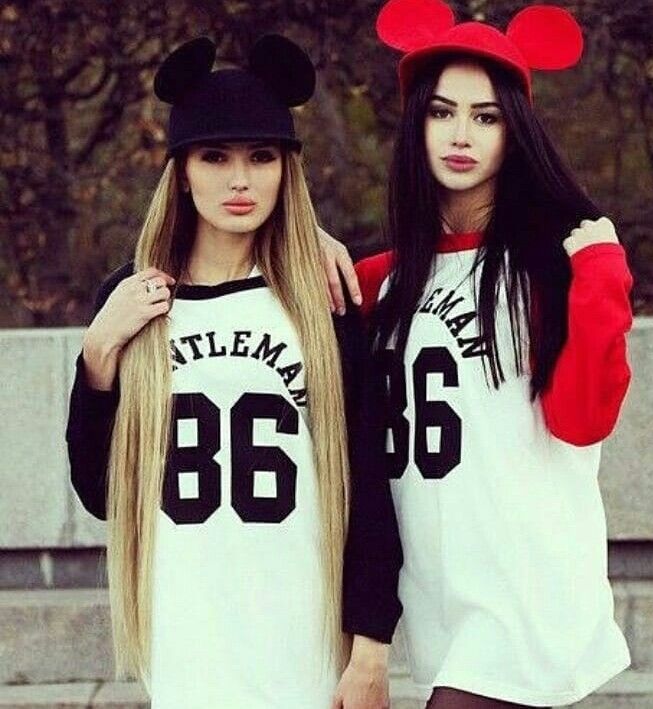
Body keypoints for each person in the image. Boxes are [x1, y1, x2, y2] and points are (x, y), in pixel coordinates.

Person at [65, 35, 401, 709]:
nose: (240, 180)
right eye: (214, 156)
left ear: (286, 170)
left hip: (304, 639)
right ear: (181, 171)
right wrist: (98, 355)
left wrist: (371, 650)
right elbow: (104, 495)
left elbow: (368, 482)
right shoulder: (134, 300)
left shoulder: (324, 302)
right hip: (187, 635)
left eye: (261, 156)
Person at [340, 1, 635, 707]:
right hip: (439, 595)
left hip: (524, 593)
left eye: (486, 116)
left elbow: (583, 420)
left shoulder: (552, 269)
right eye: (442, 113)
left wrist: (602, 274)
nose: (460, 135)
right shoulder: (383, 283)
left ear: (515, 131)